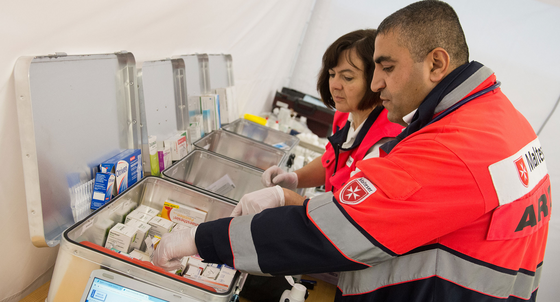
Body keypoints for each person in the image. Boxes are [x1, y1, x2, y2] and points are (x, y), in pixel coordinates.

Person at [153, 1, 551, 301]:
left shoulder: (455, 146)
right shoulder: (497, 118)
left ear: (436, 64)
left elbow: (334, 232)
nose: (376, 84)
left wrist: (200, 241)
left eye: (387, 67)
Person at [231, 29, 403, 217]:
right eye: (331, 74)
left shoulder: (387, 142)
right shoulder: (345, 115)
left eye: (347, 77)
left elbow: (346, 214)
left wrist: (286, 197)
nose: (335, 85)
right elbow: (331, 161)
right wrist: (295, 178)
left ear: (376, 80)